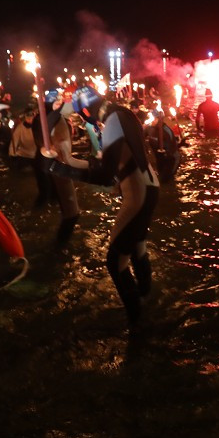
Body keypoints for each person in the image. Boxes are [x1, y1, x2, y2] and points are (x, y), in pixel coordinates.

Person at [46, 86, 159, 323]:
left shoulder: (113, 120)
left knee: (115, 261)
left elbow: (105, 176)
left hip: (137, 193)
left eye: (81, 114)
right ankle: (148, 299)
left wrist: (62, 170)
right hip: (150, 187)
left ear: (86, 110)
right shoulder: (121, 113)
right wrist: (68, 162)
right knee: (137, 246)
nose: (84, 118)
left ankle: (137, 323)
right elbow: (108, 166)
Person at [33, 89, 81, 245]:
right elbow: (42, 137)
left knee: (56, 202)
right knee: (71, 213)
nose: (61, 104)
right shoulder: (42, 119)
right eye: (58, 102)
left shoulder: (57, 118)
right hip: (54, 166)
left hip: (60, 165)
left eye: (62, 102)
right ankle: (58, 247)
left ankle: (54, 238)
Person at [8, 104, 54, 208]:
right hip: (25, 156)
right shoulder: (20, 129)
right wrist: (12, 155)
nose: (30, 119)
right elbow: (14, 143)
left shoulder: (39, 126)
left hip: (39, 155)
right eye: (28, 117)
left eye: (31, 116)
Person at [145, 108, 181, 181]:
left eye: (153, 118)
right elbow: (141, 137)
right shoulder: (149, 129)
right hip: (159, 158)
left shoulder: (166, 131)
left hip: (171, 159)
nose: (151, 120)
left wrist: (165, 153)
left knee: (166, 180)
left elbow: (172, 148)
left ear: (158, 119)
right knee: (159, 178)